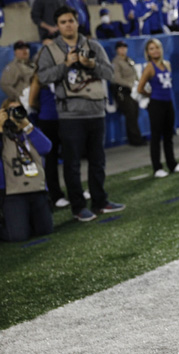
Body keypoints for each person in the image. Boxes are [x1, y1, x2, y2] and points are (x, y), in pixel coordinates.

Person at [36, 6, 125, 222]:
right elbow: (42, 77)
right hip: (70, 115)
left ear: (78, 23)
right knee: (72, 163)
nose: (68, 25)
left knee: (98, 160)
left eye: (71, 21)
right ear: (57, 26)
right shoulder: (49, 51)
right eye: (63, 22)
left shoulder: (93, 45)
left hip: (96, 111)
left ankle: (100, 201)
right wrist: (65, 66)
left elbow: (110, 73)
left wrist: (91, 64)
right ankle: (78, 206)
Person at [0, 98, 53, 242]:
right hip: (14, 194)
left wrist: (27, 125)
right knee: (18, 236)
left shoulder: (30, 132)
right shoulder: (3, 137)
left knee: (45, 230)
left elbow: (46, 148)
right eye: (11, 111)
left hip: (37, 189)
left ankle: (24, 221)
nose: (16, 114)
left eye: (19, 110)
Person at [137, 38, 179, 178]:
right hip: (156, 104)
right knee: (155, 137)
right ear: (147, 52)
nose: (155, 50)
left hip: (168, 103)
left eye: (157, 47)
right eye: (151, 48)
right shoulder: (149, 67)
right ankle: (157, 168)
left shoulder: (167, 64)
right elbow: (140, 88)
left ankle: (172, 164)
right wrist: (151, 95)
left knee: (168, 135)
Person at [29, 38, 67, 209]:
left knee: (71, 156)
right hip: (49, 120)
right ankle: (56, 194)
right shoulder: (39, 76)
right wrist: (46, 108)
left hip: (67, 118)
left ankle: (75, 190)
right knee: (51, 159)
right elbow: (32, 101)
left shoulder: (64, 70)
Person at [111, 40, 144, 147]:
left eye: (124, 47)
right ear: (117, 50)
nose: (123, 49)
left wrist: (137, 84)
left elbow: (135, 74)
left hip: (132, 91)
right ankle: (135, 139)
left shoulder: (128, 60)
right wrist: (130, 84)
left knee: (135, 113)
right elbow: (116, 78)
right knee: (130, 114)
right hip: (123, 91)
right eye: (120, 48)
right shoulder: (116, 62)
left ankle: (135, 137)